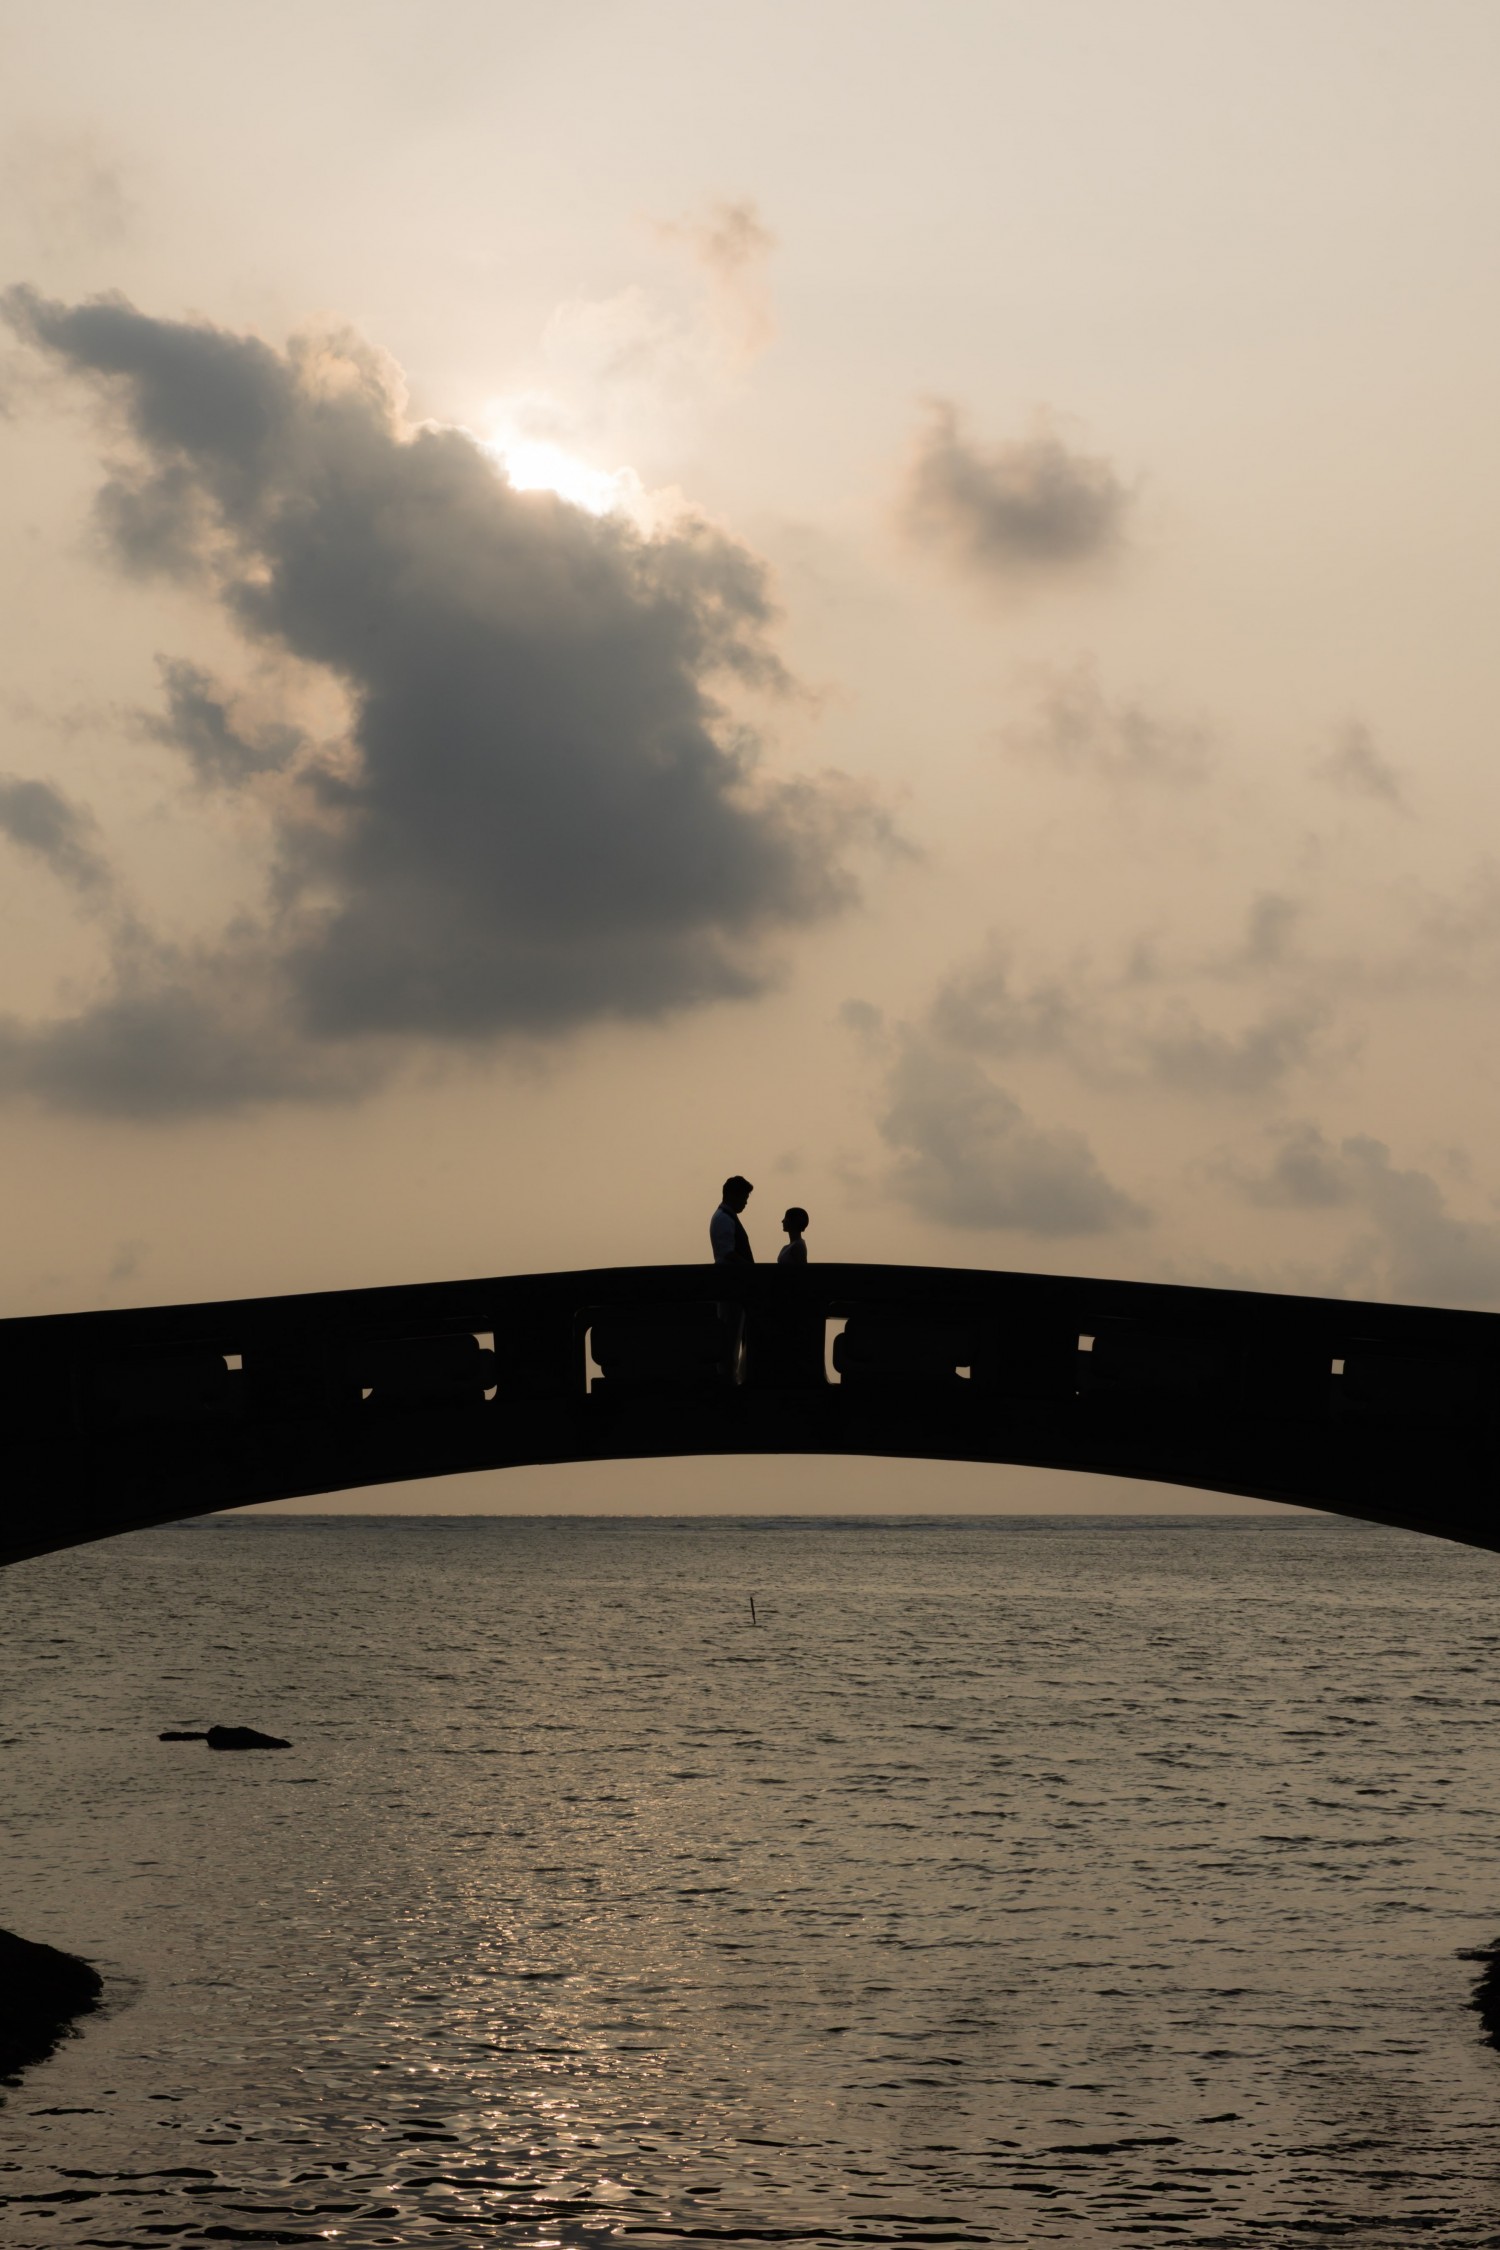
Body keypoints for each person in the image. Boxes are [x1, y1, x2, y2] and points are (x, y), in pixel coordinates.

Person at [710, 1176, 754, 1265]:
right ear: (732, 1195)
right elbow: (727, 1253)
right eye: (744, 1197)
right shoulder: (723, 1218)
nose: (745, 1202)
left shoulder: (724, 1216)